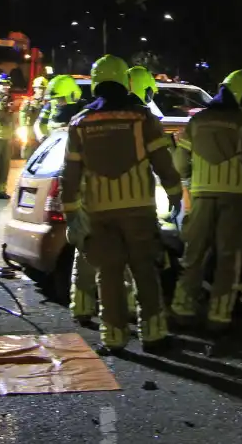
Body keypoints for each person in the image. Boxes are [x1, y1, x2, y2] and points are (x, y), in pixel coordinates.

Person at [60, 55, 182, 354]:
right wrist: (175, 194)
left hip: (99, 212)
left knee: (109, 275)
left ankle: (113, 337)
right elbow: (163, 162)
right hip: (139, 210)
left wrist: (72, 213)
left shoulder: (80, 123)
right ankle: (153, 335)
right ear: (126, 82)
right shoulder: (142, 119)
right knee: (144, 271)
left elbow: (70, 174)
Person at [171, 69, 242, 332]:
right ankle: (219, 316)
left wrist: (192, 180)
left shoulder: (198, 121)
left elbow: (180, 163)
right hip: (234, 198)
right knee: (228, 258)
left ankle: (182, 309)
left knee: (194, 254)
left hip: (201, 195)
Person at [36, 75, 84, 142]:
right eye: (56, 98)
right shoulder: (51, 104)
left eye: (60, 98)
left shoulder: (82, 106)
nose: (57, 101)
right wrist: (42, 137)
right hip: (53, 145)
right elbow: (38, 124)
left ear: (71, 95)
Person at [20, 76, 48, 158]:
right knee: (29, 154)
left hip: (43, 132)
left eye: (43, 88)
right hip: (31, 131)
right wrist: (23, 127)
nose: (41, 90)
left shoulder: (48, 102)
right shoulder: (28, 101)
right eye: (39, 88)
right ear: (34, 89)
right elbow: (22, 113)